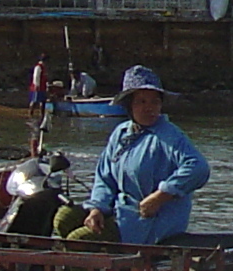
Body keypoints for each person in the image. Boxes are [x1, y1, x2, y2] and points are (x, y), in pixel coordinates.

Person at [84, 65, 209, 245]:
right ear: (129, 105)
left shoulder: (169, 135)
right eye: (141, 102)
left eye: (154, 102)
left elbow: (198, 168)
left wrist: (161, 195)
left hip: (149, 226)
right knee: (64, 218)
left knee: (78, 240)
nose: (148, 108)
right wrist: (97, 209)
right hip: (120, 214)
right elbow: (105, 179)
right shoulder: (121, 134)